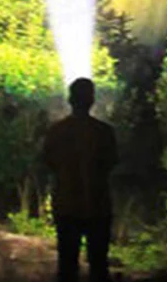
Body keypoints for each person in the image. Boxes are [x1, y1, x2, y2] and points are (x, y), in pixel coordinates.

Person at [42, 77, 118, 282]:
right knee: (99, 265)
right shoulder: (103, 132)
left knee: (67, 266)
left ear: (70, 99)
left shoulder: (57, 131)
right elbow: (111, 163)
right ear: (92, 100)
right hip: (98, 205)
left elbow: (48, 161)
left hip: (66, 205)